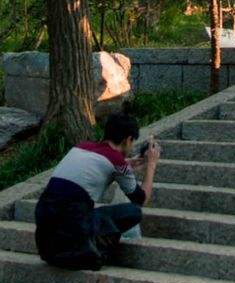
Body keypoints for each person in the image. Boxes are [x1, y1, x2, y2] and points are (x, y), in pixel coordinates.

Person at [34, 113, 159, 270]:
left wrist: (127, 165)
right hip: (72, 228)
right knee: (133, 212)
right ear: (128, 140)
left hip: (45, 236)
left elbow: (97, 165)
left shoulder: (80, 147)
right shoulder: (117, 161)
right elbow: (141, 199)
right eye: (132, 142)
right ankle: (93, 248)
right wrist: (151, 165)